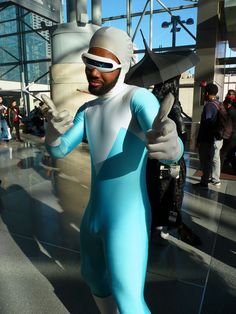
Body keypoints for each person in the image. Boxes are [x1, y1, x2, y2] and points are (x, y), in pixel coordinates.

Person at [42, 26, 183, 314]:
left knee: (129, 301)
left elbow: (163, 134)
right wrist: (53, 132)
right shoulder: (88, 109)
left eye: (104, 65)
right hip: (93, 214)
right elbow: (58, 150)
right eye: (88, 62)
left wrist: (173, 146)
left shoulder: (137, 98)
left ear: (123, 65)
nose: (93, 72)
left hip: (127, 219)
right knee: (93, 277)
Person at [150, 77, 201, 246]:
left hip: (153, 160)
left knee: (156, 191)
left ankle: (156, 223)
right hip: (172, 161)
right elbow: (181, 132)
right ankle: (165, 225)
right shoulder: (173, 103)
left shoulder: (151, 100)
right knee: (170, 193)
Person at [194, 83, 222, 188]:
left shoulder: (209, 106)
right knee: (215, 159)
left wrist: (199, 140)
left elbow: (206, 125)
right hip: (218, 137)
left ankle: (204, 182)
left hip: (209, 139)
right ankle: (215, 179)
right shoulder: (219, 103)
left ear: (206, 93)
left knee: (205, 160)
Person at [220, 89, 236, 172]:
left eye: (231, 95)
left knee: (223, 153)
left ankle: (217, 171)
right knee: (230, 154)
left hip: (231, 135)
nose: (228, 96)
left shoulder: (231, 110)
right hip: (232, 135)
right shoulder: (230, 107)